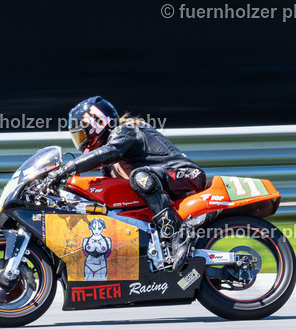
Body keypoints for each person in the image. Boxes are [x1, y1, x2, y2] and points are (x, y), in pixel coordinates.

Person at [43, 96, 207, 270]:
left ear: (98, 123)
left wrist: (65, 170)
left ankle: (177, 234)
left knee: (140, 177)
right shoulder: (110, 165)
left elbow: (109, 152)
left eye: (82, 134)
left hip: (187, 174)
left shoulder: (126, 130)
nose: (81, 142)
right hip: (164, 183)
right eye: (78, 137)